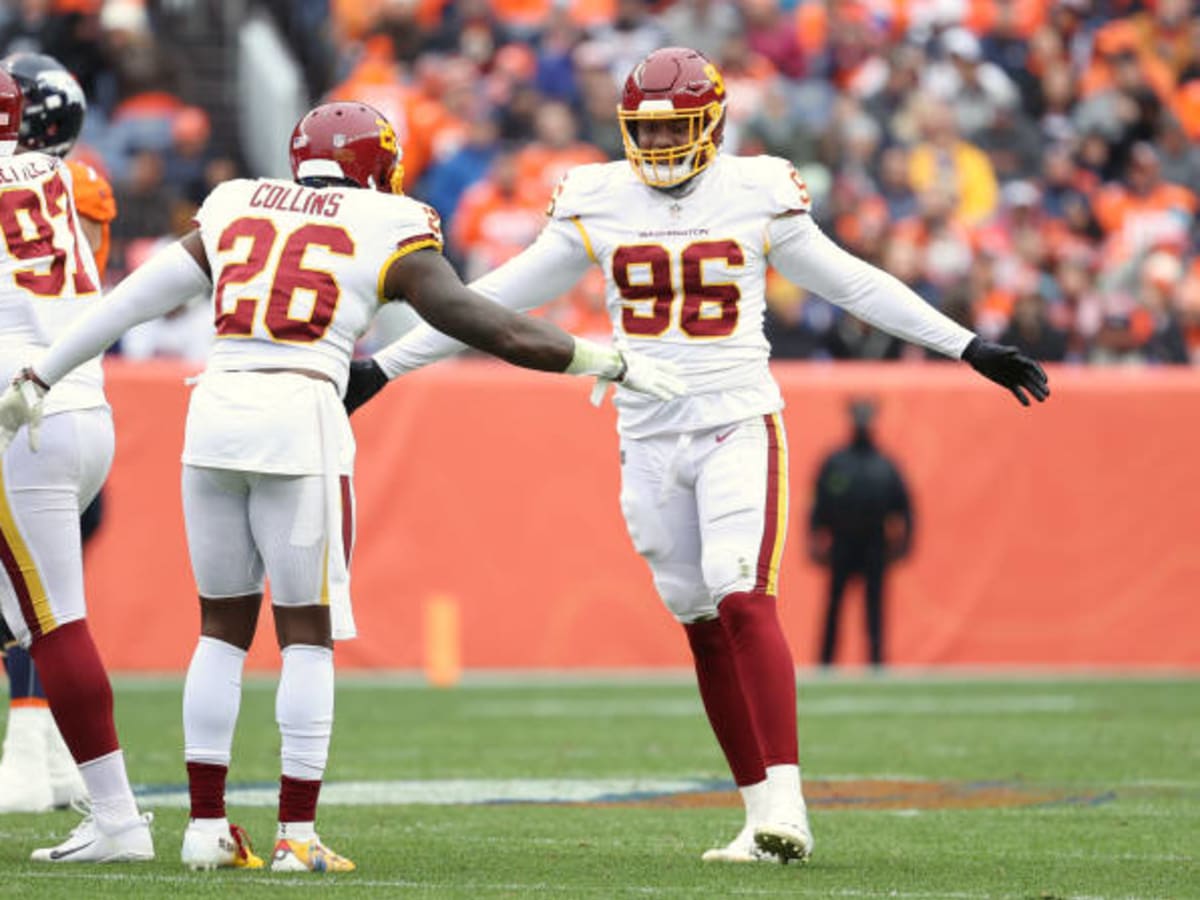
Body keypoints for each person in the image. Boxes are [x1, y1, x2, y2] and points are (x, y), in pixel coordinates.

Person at [342, 47, 1050, 866]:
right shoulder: (598, 196)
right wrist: (386, 368)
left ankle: (787, 806)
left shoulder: (755, 190)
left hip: (735, 418)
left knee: (741, 595)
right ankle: (758, 818)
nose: (663, 144)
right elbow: (495, 296)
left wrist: (964, 346)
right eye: (648, 130)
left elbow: (851, 283)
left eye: (678, 126)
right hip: (644, 431)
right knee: (700, 620)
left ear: (712, 122)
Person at [0, 100, 685, 873]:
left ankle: (204, 829)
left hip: (213, 416)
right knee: (306, 636)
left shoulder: (236, 202)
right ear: (374, 166)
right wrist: (604, 360)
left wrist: (42, 372)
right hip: (300, 420)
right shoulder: (388, 220)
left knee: (219, 632)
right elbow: (480, 320)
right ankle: (295, 835)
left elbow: (133, 297)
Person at [0, 66, 153, 862]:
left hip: (15, 416)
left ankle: (117, 818)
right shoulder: (67, 178)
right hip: (84, 403)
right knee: (34, 615)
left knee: (53, 624)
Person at [808, 399, 912, 669]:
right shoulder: (836, 462)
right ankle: (826, 663)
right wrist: (814, 539)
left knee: (874, 609)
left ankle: (876, 664)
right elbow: (818, 503)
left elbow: (905, 507)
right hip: (842, 543)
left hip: (874, 544)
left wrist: (903, 543)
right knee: (834, 608)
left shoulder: (885, 465)